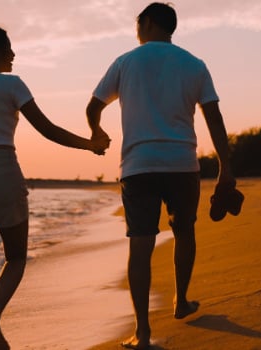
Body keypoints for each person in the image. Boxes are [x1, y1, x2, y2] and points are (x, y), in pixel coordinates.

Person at [0, 26, 109, 350]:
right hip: (1, 174)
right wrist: (89, 145)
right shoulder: (12, 84)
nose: (14, 55)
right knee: (15, 259)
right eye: (10, 48)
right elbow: (47, 130)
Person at [85, 3, 236, 349]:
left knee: (141, 247)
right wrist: (226, 167)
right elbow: (214, 117)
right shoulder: (194, 64)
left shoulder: (125, 62)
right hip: (182, 165)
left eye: (138, 23)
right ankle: (181, 300)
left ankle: (143, 333)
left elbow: (93, 106)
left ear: (148, 23)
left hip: (138, 167)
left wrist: (97, 135)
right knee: (184, 232)